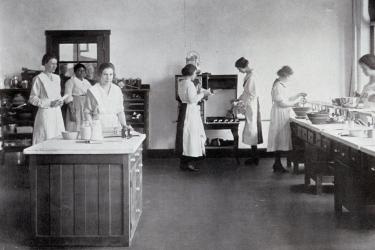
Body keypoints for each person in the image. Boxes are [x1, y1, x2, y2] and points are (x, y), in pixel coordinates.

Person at [267, 66, 306, 173]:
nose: (289, 78)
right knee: (278, 138)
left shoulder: (282, 85)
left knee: (280, 138)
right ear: (285, 75)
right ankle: (277, 163)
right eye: (289, 76)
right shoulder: (278, 86)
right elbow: (281, 103)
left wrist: (298, 95)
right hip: (279, 113)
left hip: (283, 113)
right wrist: (295, 104)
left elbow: (287, 98)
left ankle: (277, 163)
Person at [175, 64, 211, 172]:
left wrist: (198, 92)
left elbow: (185, 98)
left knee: (186, 136)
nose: (195, 75)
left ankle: (184, 162)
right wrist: (204, 93)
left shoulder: (181, 82)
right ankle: (189, 163)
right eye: (195, 73)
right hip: (190, 111)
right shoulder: (189, 84)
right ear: (191, 73)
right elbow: (192, 99)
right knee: (191, 136)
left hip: (184, 110)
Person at [29, 54, 65, 144]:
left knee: (58, 137)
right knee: (46, 137)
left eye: (56, 64)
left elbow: (58, 95)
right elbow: (32, 98)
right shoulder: (38, 78)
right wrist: (49, 103)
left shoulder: (57, 78)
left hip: (57, 113)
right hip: (45, 113)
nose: (55, 66)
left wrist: (60, 101)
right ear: (45, 63)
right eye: (52, 63)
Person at [235, 57, 263, 165]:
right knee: (251, 129)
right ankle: (254, 155)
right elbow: (246, 92)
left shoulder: (252, 76)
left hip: (252, 105)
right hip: (249, 103)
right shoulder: (248, 75)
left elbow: (251, 94)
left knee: (253, 129)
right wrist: (239, 99)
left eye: (239, 68)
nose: (239, 71)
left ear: (243, 67)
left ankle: (255, 157)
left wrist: (242, 103)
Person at [84, 62, 128, 130]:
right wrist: (92, 127)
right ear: (100, 74)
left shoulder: (117, 90)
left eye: (111, 74)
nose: (108, 77)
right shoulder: (92, 91)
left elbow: (120, 111)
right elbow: (87, 112)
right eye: (105, 74)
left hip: (115, 127)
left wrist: (124, 126)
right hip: (98, 127)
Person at [64, 63, 92, 132]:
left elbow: (91, 94)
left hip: (85, 105)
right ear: (75, 72)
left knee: (86, 125)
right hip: (75, 105)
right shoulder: (70, 81)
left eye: (83, 71)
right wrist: (72, 111)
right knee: (75, 124)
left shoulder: (86, 82)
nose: (82, 72)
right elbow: (68, 96)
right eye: (79, 70)